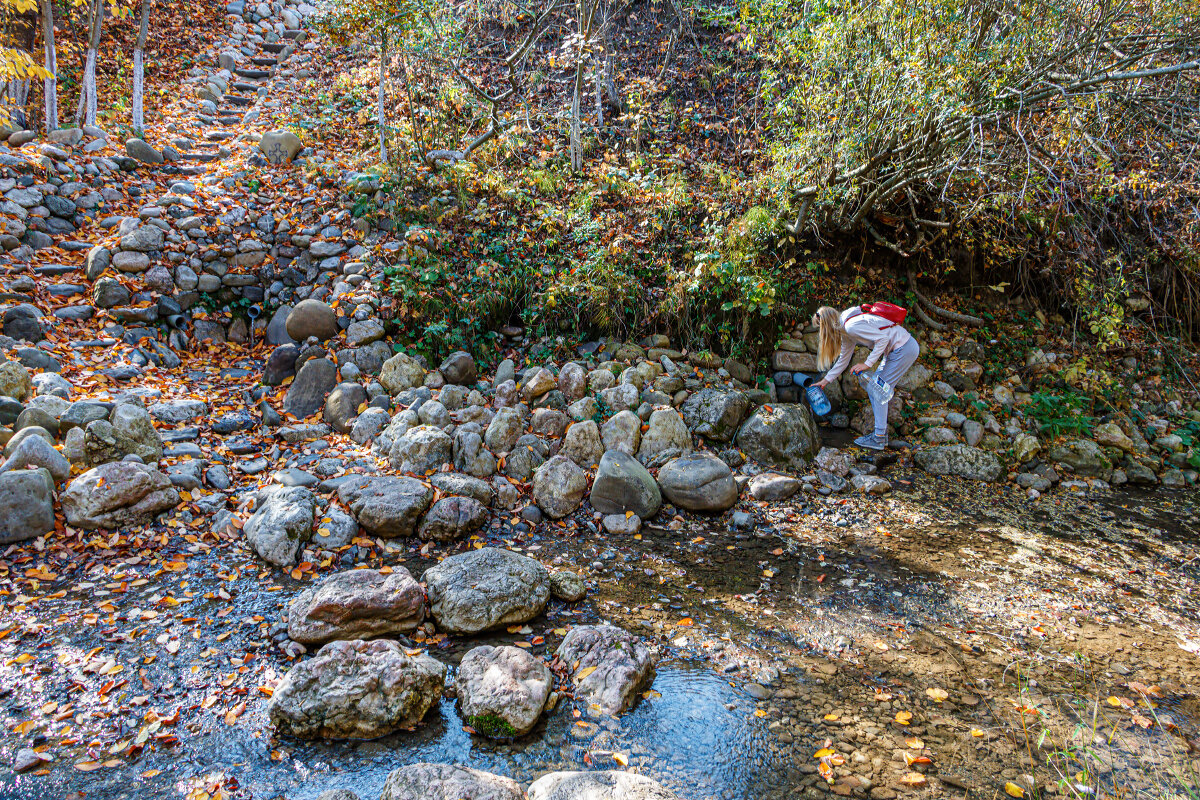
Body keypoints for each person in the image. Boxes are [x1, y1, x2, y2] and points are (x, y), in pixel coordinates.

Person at [812, 304, 920, 450]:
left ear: (826, 328)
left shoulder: (851, 326)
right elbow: (844, 359)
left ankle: (879, 438)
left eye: (820, 330)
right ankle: (880, 436)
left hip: (903, 349)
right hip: (896, 351)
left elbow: (882, 339)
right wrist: (825, 381)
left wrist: (867, 364)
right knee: (874, 388)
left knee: (877, 389)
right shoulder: (845, 330)